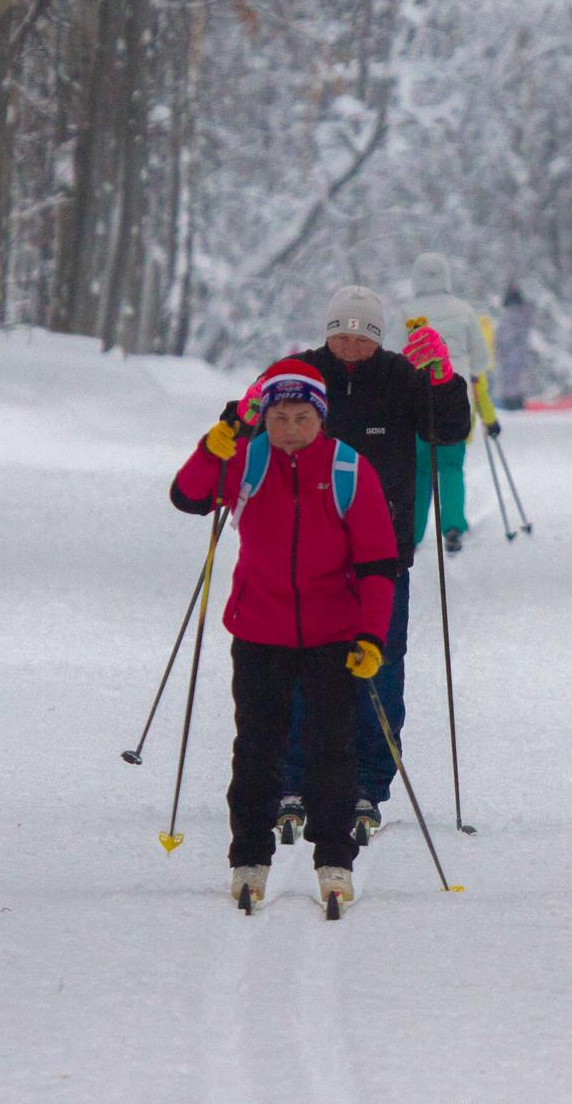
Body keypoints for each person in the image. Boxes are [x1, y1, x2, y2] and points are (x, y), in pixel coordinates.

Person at [170, 359, 399, 912]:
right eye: (278, 416)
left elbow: (378, 563)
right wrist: (213, 445)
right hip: (260, 628)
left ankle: (334, 860)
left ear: (320, 417)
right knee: (257, 749)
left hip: (332, 633)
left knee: (330, 750)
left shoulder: (348, 468)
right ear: (264, 417)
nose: (291, 428)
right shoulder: (247, 458)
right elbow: (188, 496)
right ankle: (249, 856)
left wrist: (371, 637)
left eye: (301, 417)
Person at [277, 286, 473, 843]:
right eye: (340, 332)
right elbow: (255, 423)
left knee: (380, 668)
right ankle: (290, 780)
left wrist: (443, 381)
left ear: (378, 338)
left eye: (362, 336)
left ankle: (368, 785)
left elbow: (448, 430)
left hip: (381, 555)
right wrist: (238, 416)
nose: (349, 344)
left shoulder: (400, 376)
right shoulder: (300, 373)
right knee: (294, 666)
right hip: (305, 551)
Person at [404, 253, 500, 555]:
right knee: (450, 466)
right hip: (457, 400)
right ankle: (454, 526)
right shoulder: (464, 311)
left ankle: (413, 533)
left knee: (419, 469)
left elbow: (393, 356)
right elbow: (481, 360)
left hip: (415, 400)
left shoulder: (405, 313)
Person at [495, 286, 533, 410]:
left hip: (509, 356)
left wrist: (500, 351)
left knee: (509, 380)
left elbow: (502, 337)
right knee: (518, 379)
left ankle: (510, 402)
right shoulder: (524, 316)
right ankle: (517, 401)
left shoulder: (507, 316)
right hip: (519, 355)